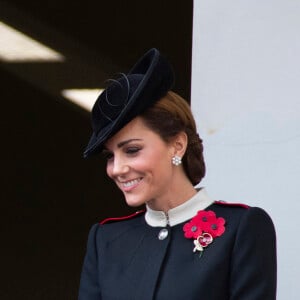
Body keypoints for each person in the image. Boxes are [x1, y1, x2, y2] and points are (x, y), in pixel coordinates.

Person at [78, 48, 277, 300]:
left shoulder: (241, 228)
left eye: (132, 150)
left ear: (177, 145)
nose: (117, 169)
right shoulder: (105, 240)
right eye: (110, 156)